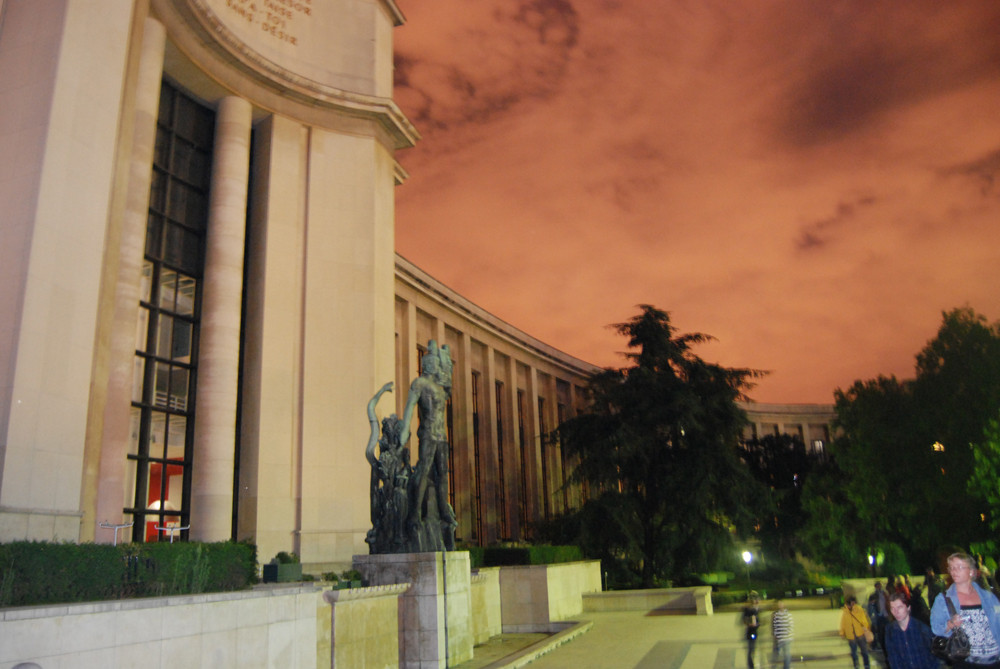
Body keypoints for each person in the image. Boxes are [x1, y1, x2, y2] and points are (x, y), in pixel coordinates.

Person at [931, 552, 1000, 668]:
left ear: (971, 571)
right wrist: (950, 624)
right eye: (952, 567)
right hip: (966, 661)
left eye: (959, 567)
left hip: (994, 660)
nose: (954, 571)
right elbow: (936, 628)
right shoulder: (943, 599)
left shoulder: (988, 596)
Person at [885, 591, 938, 669]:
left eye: (900, 607)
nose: (896, 612)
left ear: (908, 607)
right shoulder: (890, 631)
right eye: (892, 608)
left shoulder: (921, 628)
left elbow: (933, 656)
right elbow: (892, 658)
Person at [840, 594, 873, 669]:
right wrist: (842, 632)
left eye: (853, 603)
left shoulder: (859, 609)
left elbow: (864, 621)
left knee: (864, 652)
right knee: (854, 653)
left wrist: (865, 627)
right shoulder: (845, 611)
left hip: (860, 634)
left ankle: (867, 665)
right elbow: (843, 623)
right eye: (850, 603)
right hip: (851, 636)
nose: (851, 605)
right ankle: (856, 665)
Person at [771, 598, 794, 669]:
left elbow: (790, 625)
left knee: (787, 655)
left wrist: (788, 634)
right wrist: (775, 635)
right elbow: (773, 626)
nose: (780, 605)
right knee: (775, 655)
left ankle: (786, 667)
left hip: (786, 638)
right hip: (778, 638)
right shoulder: (775, 614)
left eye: (781, 604)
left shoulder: (788, 614)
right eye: (778, 604)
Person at [743, 591, 761, 668]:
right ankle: (751, 666)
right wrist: (749, 623)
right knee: (751, 649)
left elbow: (759, 620)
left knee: (753, 649)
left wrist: (758, 624)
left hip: (755, 631)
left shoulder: (757, 610)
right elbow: (743, 620)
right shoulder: (747, 610)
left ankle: (752, 663)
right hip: (750, 632)